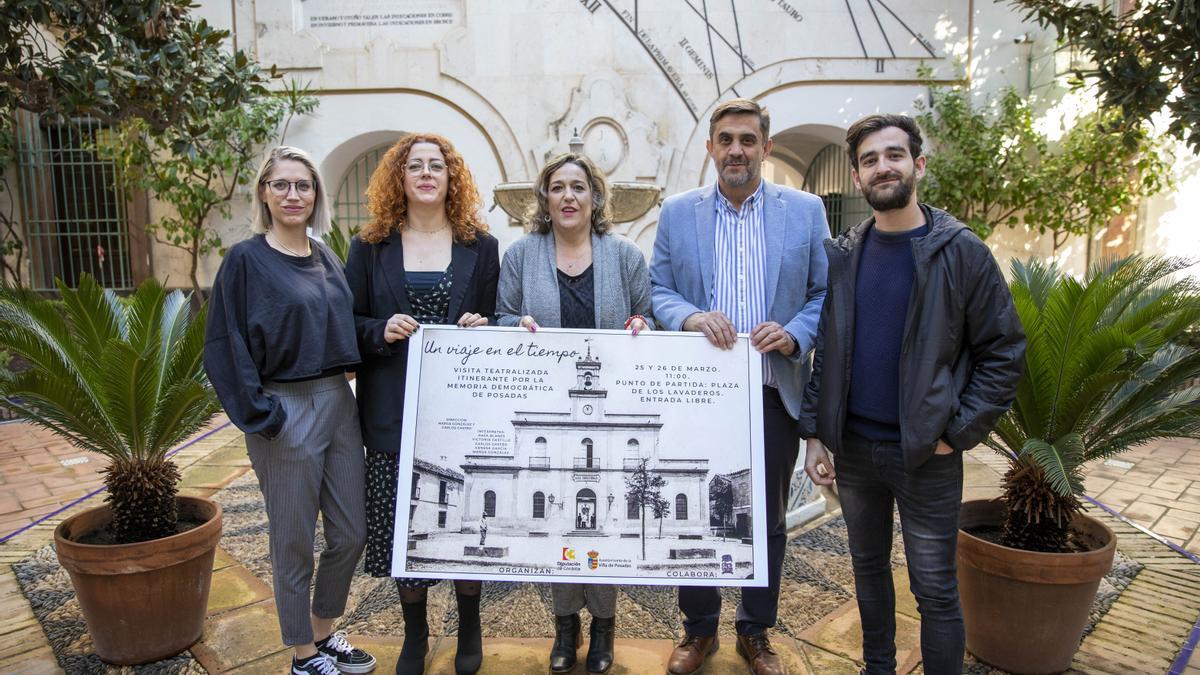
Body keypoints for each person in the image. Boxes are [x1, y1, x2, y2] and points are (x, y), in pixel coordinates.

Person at [799, 114, 1025, 675]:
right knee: (868, 574)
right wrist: (815, 434)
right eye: (871, 160)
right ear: (858, 177)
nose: (883, 167)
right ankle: (878, 667)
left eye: (894, 155)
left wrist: (956, 432)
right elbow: (826, 349)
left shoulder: (960, 251)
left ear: (917, 165)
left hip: (927, 454)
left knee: (934, 589)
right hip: (854, 451)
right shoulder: (845, 255)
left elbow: (1004, 350)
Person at [650, 98, 829, 675]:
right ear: (709, 148)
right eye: (725, 140)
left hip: (773, 390)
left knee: (768, 516)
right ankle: (698, 630)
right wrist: (689, 317)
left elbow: (826, 295)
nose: (736, 150)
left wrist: (797, 331)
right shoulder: (678, 213)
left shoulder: (804, 212)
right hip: (700, 396)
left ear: (765, 147)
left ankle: (756, 630)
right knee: (697, 510)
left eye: (747, 140)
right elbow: (657, 290)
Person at [204, 147, 376, 675]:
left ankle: (324, 631)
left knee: (351, 533)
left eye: (303, 185)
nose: (293, 195)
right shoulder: (246, 260)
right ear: (264, 192)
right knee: (294, 539)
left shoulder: (325, 256)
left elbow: (345, 326)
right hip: (286, 406)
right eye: (281, 185)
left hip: (338, 404)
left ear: (316, 194)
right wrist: (263, 415)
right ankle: (302, 653)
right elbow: (224, 342)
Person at [344, 132, 499, 675]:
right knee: (402, 524)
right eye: (416, 166)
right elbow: (349, 323)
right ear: (400, 178)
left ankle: (470, 627)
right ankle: (415, 635)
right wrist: (380, 329)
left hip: (460, 409)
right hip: (391, 407)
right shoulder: (370, 246)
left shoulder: (480, 245)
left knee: (463, 516)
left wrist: (486, 325)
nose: (427, 174)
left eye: (438, 166)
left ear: (451, 177)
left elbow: (497, 320)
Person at [496, 152, 651, 675]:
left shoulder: (624, 256)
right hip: (549, 404)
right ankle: (565, 626)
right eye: (557, 187)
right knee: (560, 515)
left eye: (579, 187)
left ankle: (604, 627)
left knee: (603, 524)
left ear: (596, 197)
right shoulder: (521, 255)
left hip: (609, 402)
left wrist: (639, 326)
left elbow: (646, 316)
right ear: (544, 199)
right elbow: (501, 316)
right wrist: (513, 328)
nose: (568, 196)